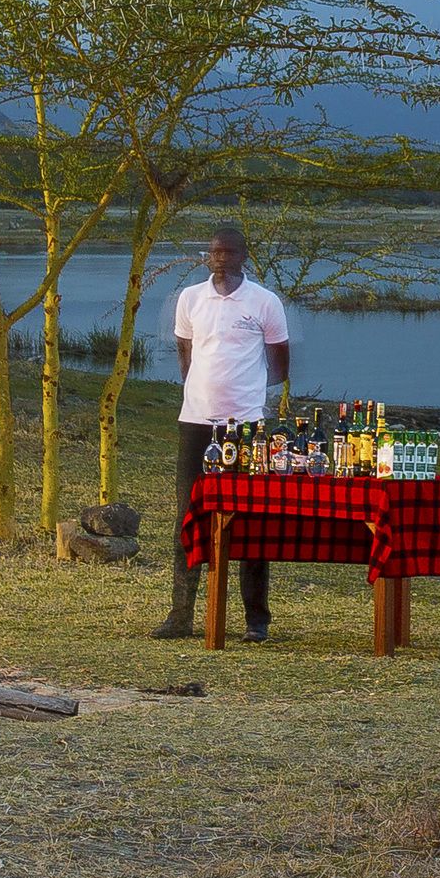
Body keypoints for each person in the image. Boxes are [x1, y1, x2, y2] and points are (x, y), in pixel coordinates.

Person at [159, 223, 289, 641]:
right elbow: (185, 351)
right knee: (188, 515)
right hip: (196, 421)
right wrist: (201, 390)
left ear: (243, 256)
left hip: (247, 425)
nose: (219, 259)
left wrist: (245, 392)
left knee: (251, 519)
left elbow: (280, 363)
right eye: (213, 252)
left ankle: (256, 621)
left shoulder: (265, 302)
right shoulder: (190, 298)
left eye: (227, 252)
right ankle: (181, 615)